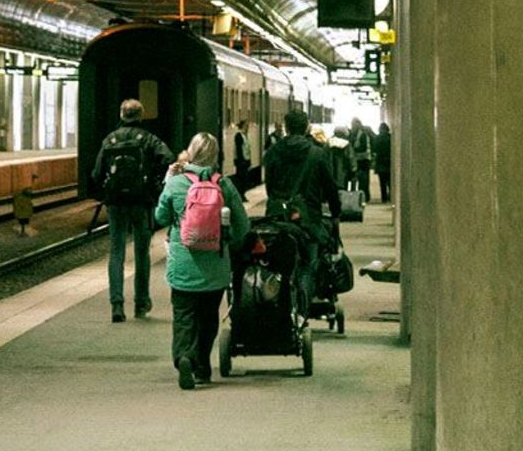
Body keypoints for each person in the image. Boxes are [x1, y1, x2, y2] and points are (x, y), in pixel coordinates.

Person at [154, 131, 249, 389]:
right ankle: (203, 367)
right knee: (208, 317)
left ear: (191, 152)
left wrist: (168, 184)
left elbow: (160, 217)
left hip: (183, 264)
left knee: (184, 316)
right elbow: (242, 226)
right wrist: (229, 242)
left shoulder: (175, 183)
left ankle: (184, 356)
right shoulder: (224, 184)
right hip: (216, 265)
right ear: (215, 156)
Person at [91, 98, 172, 323]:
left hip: (116, 203)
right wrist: (154, 180)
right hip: (141, 201)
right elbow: (167, 157)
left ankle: (117, 304)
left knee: (116, 251)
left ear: (121, 115)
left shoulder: (110, 139)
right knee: (141, 253)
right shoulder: (147, 138)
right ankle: (141, 302)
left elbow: (96, 174)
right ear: (140, 116)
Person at [262, 109, 341, 316]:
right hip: (309, 219)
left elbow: (269, 187)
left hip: (277, 218)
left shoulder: (272, 152)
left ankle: (279, 306)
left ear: (286, 127)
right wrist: (335, 212)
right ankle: (302, 312)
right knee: (307, 264)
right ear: (307, 127)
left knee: (277, 263)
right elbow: (330, 187)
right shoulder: (318, 153)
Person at [349, 116, 373, 201]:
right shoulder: (353, 134)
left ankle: (364, 196)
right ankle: (358, 195)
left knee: (364, 180)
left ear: (358, 124)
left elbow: (363, 147)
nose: (352, 126)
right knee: (357, 179)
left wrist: (354, 148)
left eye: (353, 124)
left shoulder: (363, 134)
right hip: (357, 160)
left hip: (364, 160)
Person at [374, 121, 393, 203]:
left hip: (380, 163)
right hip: (389, 162)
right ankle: (391, 196)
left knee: (382, 183)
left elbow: (375, 149)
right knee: (390, 182)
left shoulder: (377, 138)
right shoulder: (390, 138)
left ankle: (384, 198)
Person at [232, 119, 250, 192]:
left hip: (245, 160)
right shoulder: (239, 135)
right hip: (241, 161)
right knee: (241, 178)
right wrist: (242, 160)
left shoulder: (244, 136)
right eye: (246, 126)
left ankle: (242, 193)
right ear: (242, 126)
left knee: (244, 178)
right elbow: (239, 149)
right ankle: (240, 193)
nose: (247, 127)